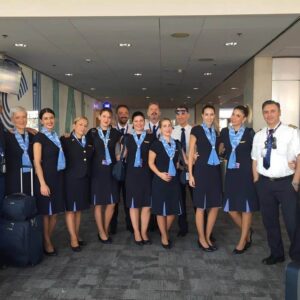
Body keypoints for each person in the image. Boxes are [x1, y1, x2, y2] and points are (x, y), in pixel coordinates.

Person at [252, 100, 300, 265]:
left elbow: (299, 157)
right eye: (266, 111)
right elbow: (254, 159)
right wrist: (256, 180)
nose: (269, 114)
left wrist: (296, 180)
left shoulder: (291, 132)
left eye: (273, 111)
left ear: (279, 112)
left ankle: (297, 255)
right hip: (265, 183)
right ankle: (276, 253)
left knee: (292, 221)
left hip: (286, 183)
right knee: (269, 221)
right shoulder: (259, 135)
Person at [219, 105, 259, 254]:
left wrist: (256, 174)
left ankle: (243, 240)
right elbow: (213, 146)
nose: (233, 118)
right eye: (233, 114)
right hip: (231, 174)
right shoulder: (224, 132)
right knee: (231, 209)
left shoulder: (249, 133)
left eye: (237, 115)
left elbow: (257, 154)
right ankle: (247, 231)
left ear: (244, 118)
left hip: (246, 174)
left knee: (246, 208)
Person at [188, 104, 222, 252]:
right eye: (206, 114)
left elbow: (219, 150)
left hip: (215, 171)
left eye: (211, 114)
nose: (209, 116)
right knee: (201, 206)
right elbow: (190, 153)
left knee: (215, 206)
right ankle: (201, 238)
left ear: (214, 116)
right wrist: (190, 173)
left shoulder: (216, 132)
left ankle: (208, 236)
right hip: (201, 171)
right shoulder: (196, 130)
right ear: (202, 115)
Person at [33, 108, 65, 256]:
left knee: (55, 213)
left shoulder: (55, 136)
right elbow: (37, 162)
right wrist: (42, 183)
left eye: (51, 118)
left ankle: (47, 239)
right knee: (46, 213)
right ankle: (46, 242)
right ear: (41, 121)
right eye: (45, 119)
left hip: (57, 178)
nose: (49, 121)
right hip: (45, 179)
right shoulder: (39, 137)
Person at [87, 108, 122, 244]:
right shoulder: (92, 133)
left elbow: (123, 145)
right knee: (98, 203)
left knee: (112, 202)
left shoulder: (116, 133)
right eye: (104, 116)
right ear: (99, 117)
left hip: (111, 172)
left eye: (109, 117)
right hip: (97, 172)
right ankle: (101, 232)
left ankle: (105, 229)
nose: (106, 119)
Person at [148, 118, 182, 249]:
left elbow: (178, 162)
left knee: (173, 210)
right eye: (164, 126)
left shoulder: (177, 144)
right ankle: (164, 236)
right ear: (161, 129)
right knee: (161, 211)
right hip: (160, 180)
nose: (167, 128)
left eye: (169, 126)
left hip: (173, 181)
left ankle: (164, 231)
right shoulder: (156, 144)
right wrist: (160, 174)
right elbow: (150, 163)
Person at [61, 116, 93, 252]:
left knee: (78, 210)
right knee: (70, 210)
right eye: (80, 124)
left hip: (84, 179)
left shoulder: (89, 140)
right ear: (74, 125)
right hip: (71, 179)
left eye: (85, 125)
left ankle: (76, 234)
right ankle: (73, 239)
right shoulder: (65, 140)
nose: (83, 127)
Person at [122, 111, 154, 245]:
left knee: (147, 206)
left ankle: (144, 231)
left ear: (144, 122)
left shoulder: (151, 138)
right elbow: (122, 156)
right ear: (132, 123)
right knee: (134, 205)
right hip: (132, 176)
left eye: (141, 121)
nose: (139, 123)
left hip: (147, 175)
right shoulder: (127, 138)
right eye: (136, 121)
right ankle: (136, 232)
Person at [111, 104, 133, 234]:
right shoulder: (112, 131)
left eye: (125, 112)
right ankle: (112, 226)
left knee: (128, 199)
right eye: (120, 112)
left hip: (129, 170)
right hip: (115, 170)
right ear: (117, 115)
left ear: (128, 115)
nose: (123, 114)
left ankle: (130, 225)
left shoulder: (134, 129)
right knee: (114, 199)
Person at [3, 106, 34, 196]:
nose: (21, 120)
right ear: (12, 119)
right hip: (13, 177)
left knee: (30, 204)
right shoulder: (6, 136)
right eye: (17, 117)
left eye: (24, 117)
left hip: (31, 177)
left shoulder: (33, 135)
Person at [171, 105, 192, 237]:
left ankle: (205, 227)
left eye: (183, 113)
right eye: (177, 113)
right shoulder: (172, 131)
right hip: (178, 170)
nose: (180, 116)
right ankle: (182, 226)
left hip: (192, 170)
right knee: (180, 199)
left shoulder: (195, 130)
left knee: (198, 200)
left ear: (188, 115)